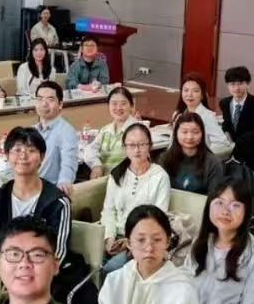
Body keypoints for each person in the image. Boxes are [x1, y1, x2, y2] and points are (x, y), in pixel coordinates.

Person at [0, 127, 72, 261]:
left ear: (42, 157)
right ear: (7, 155)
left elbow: (58, 255)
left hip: (43, 272)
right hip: (0, 271)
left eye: (31, 150)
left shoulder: (58, 203)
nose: (23, 156)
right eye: (17, 150)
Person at [102, 123, 170, 273]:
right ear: (124, 148)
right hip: (115, 237)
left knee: (111, 268)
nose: (137, 150)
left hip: (142, 241)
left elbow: (158, 217)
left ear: (150, 146)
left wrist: (130, 241)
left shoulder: (160, 176)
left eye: (142, 144)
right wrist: (109, 238)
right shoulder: (117, 174)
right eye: (131, 145)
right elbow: (109, 211)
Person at [158, 111, 224, 195]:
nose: (189, 137)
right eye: (184, 132)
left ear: (202, 134)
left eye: (195, 132)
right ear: (176, 133)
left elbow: (215, 197)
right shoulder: (165, 159)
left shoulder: (212, 163)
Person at [82, 87, 139, 179]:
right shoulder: (106, 130)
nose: (118, 108)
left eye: (123, 104)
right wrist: (96, 166)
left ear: (132, 106)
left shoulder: (137, 130)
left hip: (125, 181)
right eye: (114, 104)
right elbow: (90, 149)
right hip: (104, 180)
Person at [33, 81, 78, 194]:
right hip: (30, 188)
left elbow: (69, 162)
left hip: (49, 192)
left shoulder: (66, 131)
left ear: (60, 104)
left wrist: (64, 182)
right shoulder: (32, 130)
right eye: (40, 99)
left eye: (50, 99)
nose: (44, 104)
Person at [173, 73, 231, 149]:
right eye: (186, 90)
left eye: (195, 91)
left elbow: (222, 142)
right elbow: (173, 143)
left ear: (202, 95)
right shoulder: (178, 114)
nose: (189, 94)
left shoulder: (207, 116)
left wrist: (203, 154)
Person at [219, 66, 254, 142]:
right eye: (232, 84)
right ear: (228, 85)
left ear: (248, 84)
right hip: (230, 144)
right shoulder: (224, 103)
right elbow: (226, 125)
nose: (236, 88)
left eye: (240, 83)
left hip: (250, 145)